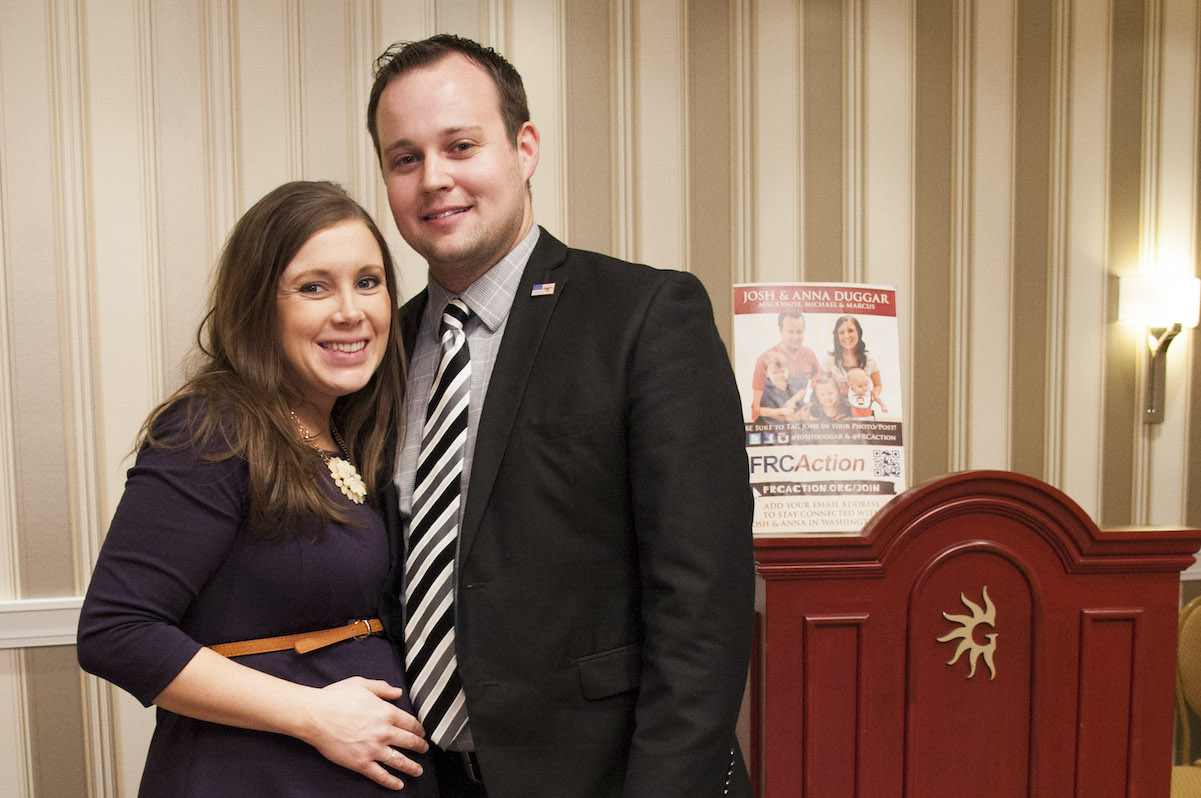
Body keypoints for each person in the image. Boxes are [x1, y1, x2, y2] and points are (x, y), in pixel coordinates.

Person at [367, 34, 755, 797]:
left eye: (460, 145)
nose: (434, 179)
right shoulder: (383, 348)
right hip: (428, 777)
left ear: (524, 147)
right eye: (404, 158)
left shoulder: (644, 316)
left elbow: (702, 603)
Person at [77, 181, 437, 796]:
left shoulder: (350, 433)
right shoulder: (214, 426)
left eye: (369, 281)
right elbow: (116, 630)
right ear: (259, 307)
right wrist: (314, 714)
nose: (351, 311)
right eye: (314, 286)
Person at [749, 308, 819, 420]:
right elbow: (756, 411)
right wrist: (792, 417)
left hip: (802, 425)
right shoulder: (764, 360)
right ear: (780, 330)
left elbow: (820, 384)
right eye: (790, 331)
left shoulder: (809, 354)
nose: (795, 337)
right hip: (775, 426)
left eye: (799, 332)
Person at [823, 314, 883, 397]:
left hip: (862, 406)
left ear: (858, 332)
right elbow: (822, 385)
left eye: (851, 331)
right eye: (841, 332)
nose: (847, 336)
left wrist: (871, 397)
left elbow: (878, 385)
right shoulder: (829, 360)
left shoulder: (869, 359)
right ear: (837, 336)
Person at [758, 351, 808, 420]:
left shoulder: (792, 380)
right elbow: (759, 410)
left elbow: (804, 390)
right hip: (774, 423)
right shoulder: (765, 390)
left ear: (788, 369)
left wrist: (793, 400)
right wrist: (782, 411)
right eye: (775, 373)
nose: (780, 376)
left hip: (796, 420)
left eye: (783, 371)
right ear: (766, 373)